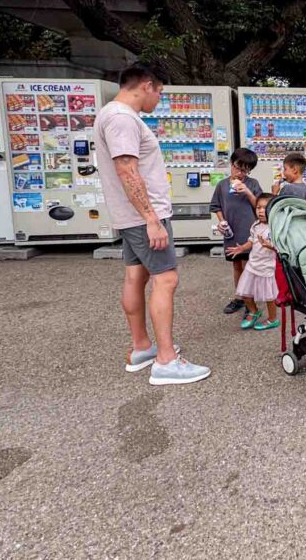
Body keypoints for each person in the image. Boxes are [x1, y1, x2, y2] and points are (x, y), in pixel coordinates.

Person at [94, 62, 210, 385]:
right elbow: (127, 170)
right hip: (144, 218)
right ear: (147, 85)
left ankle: (142, 348)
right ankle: (166, 360)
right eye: (160, 91)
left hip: (128, 218)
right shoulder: (122, 119)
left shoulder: (109, 114)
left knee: (135, 276)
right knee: (166, 280)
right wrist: (151, 218)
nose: (159, 99)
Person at [210, 147, 262, 314]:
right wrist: (222, 221)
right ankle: (239, 297)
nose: (241, 173)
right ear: (231, 164)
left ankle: (250, 301)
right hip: (231, 233)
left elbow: (259, 206)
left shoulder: (253, 184)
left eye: (245, 170)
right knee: (236, 266)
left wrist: (247, 191)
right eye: (238, 168)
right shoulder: (222, 185)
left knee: (249, 267)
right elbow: (216, 206)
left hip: (249, 233)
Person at [226, 193, 280, 330]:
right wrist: (242, 248)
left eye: (265, 208)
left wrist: (271, 246)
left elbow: (281, 247)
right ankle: (254, 311)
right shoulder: (255, 225)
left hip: (267, 268)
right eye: (258, 207)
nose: (261, 211)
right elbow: (252, 240)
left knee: (269, 297)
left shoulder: (275, 227)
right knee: (243, 292)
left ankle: (273, 319)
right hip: (252, 265)